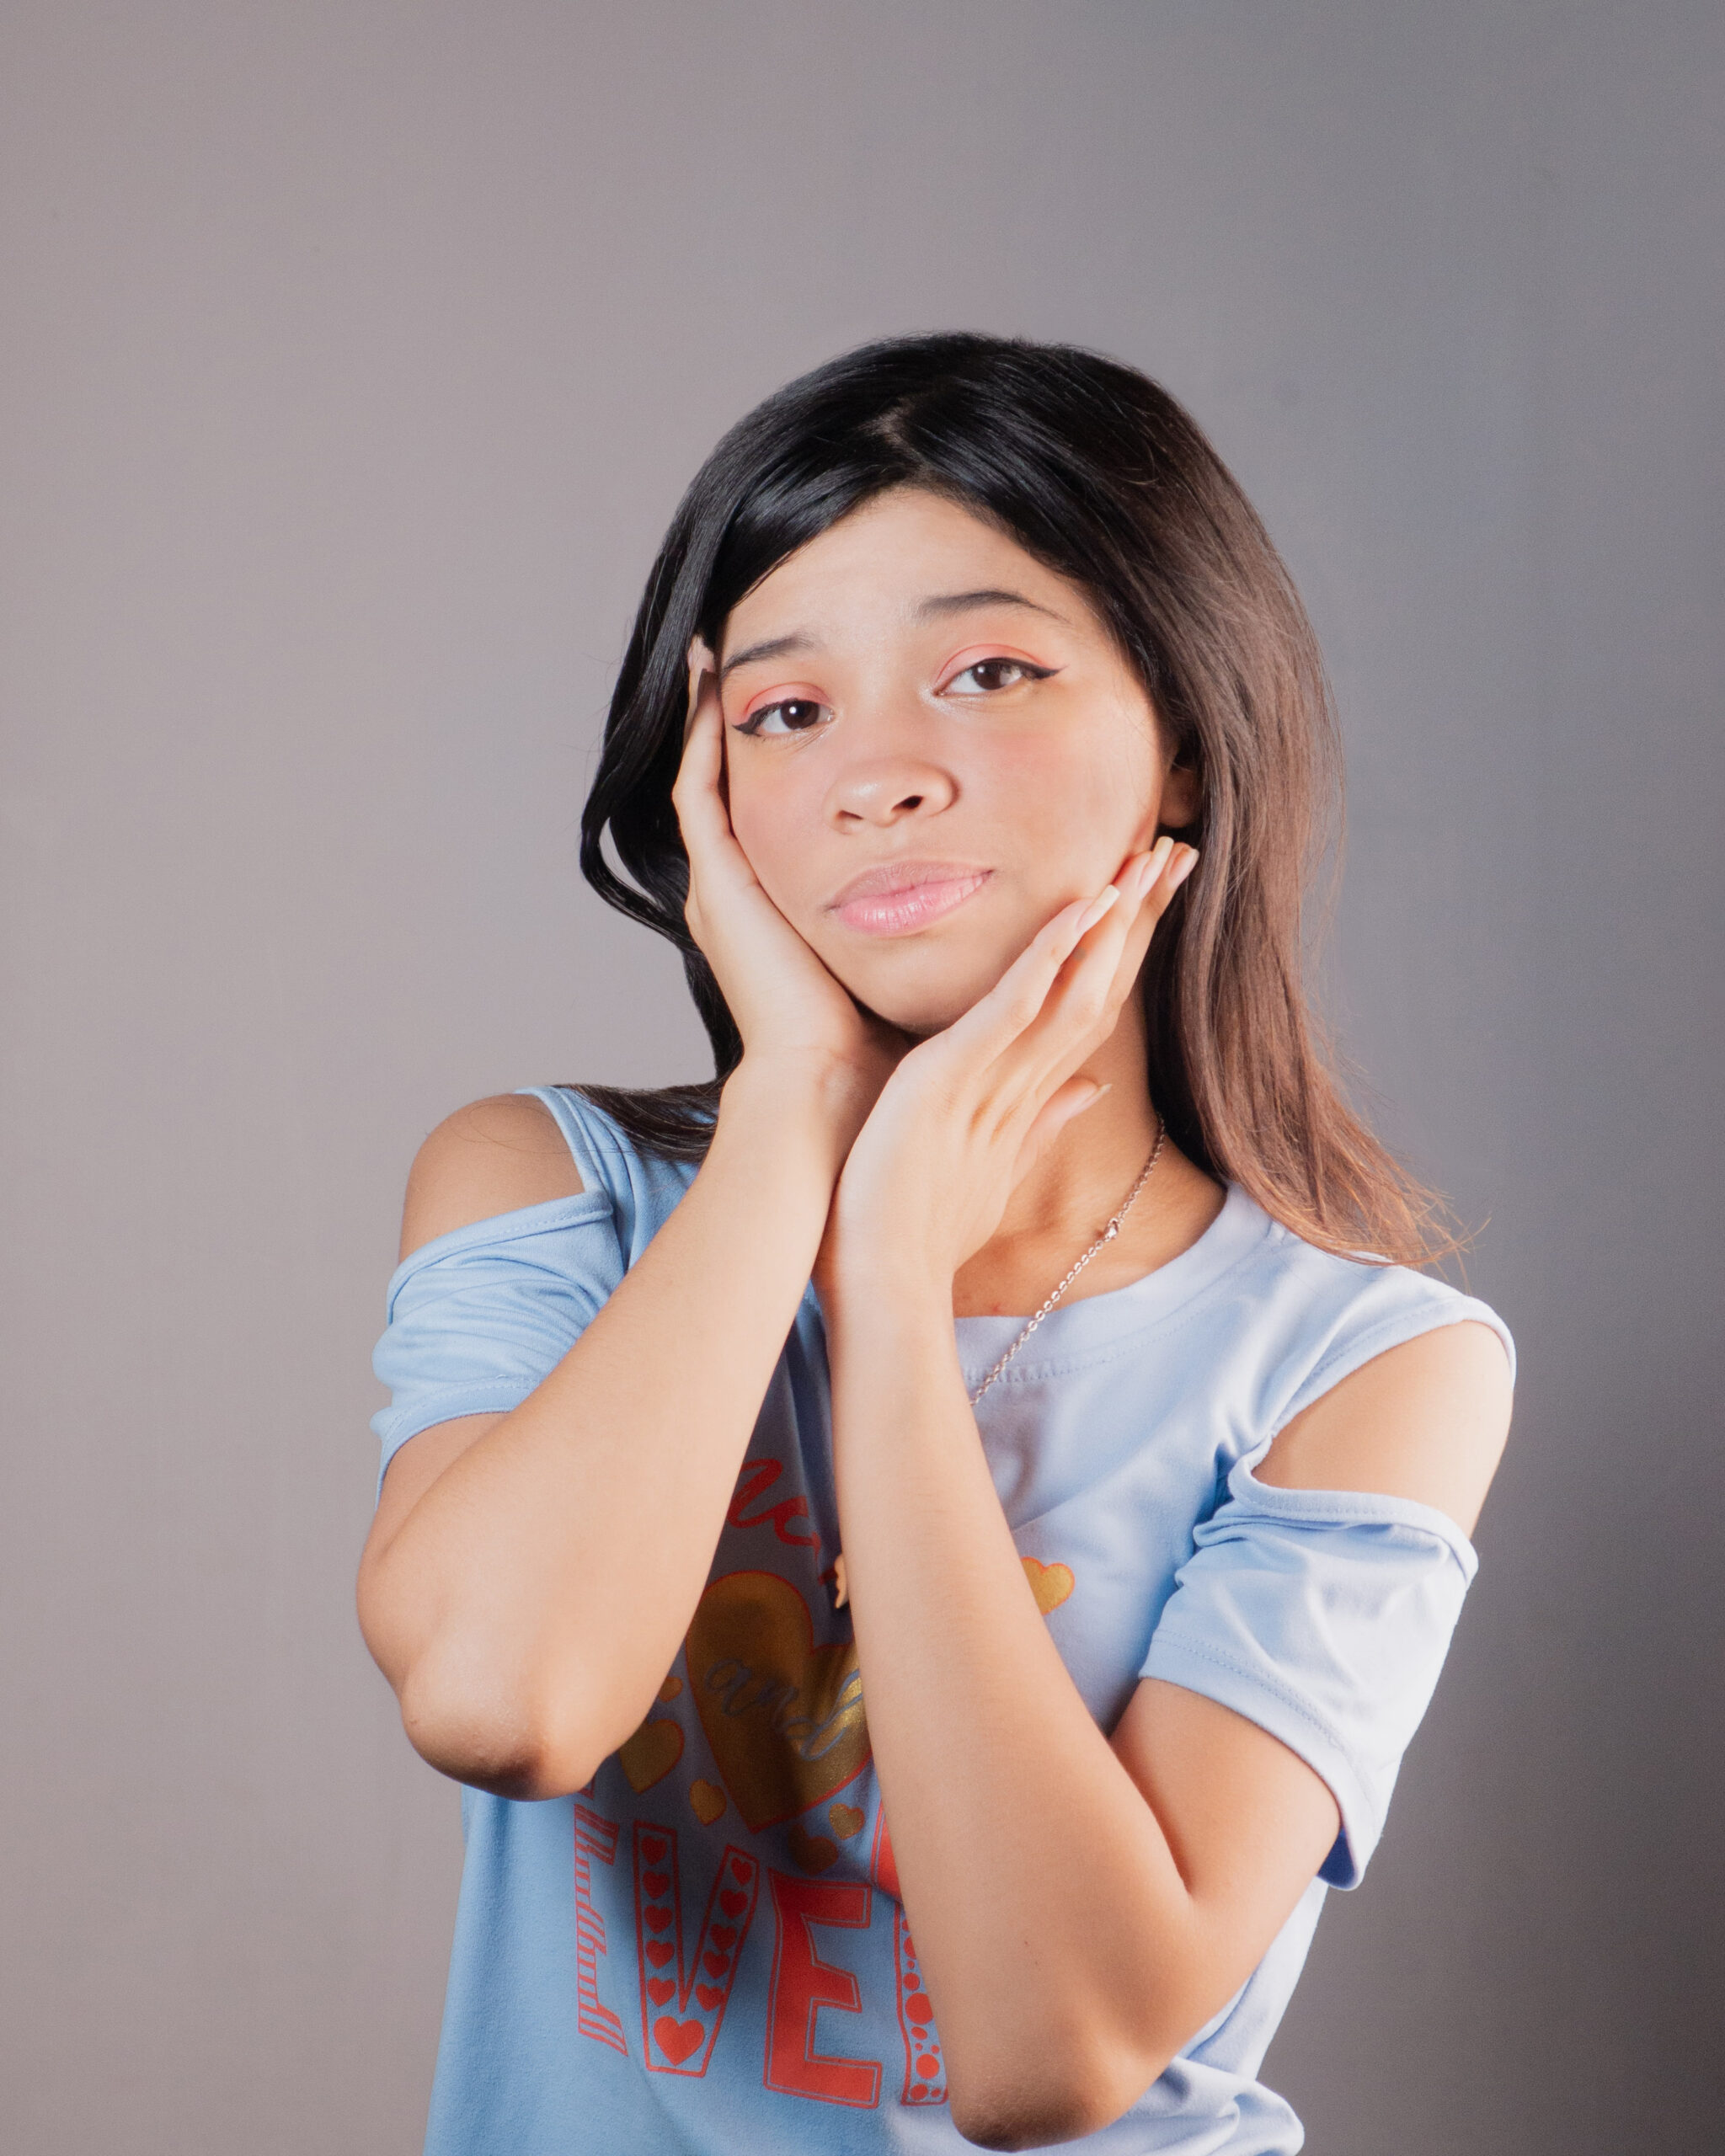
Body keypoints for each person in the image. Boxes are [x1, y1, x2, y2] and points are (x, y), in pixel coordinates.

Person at [357, 334, 1514, 2155]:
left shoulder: (1362, 1363)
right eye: (787, 711)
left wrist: (894, 1293)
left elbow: (1051, 2053)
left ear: (1188, 738)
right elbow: (508, 1696)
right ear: (705, 791)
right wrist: (795, 1113)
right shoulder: (551, 1184)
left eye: (986, 671)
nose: (877, 771)